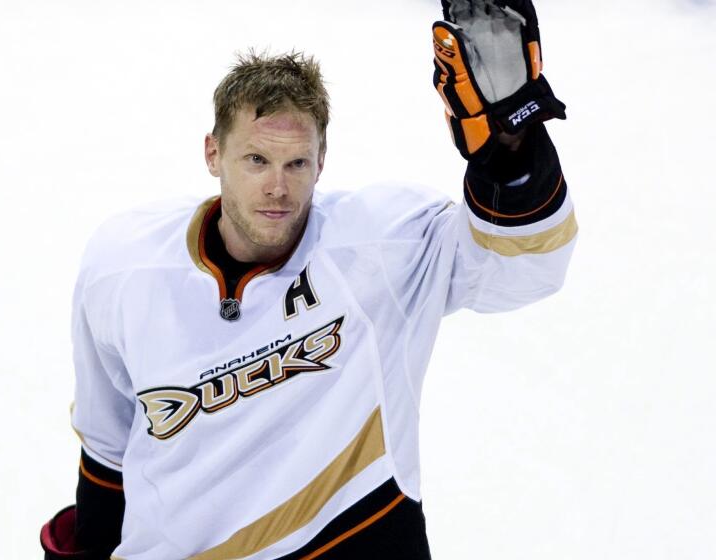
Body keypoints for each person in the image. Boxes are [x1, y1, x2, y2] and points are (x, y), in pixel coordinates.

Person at [40, 1, 577, 558]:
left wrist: (512, 150)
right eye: (255, 160)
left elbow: (523, 269)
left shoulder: (382, 249)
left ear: (322, 160)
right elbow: (107, 447)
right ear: (212, 153)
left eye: (297, 163)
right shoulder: (125, 267)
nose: (277, 188)